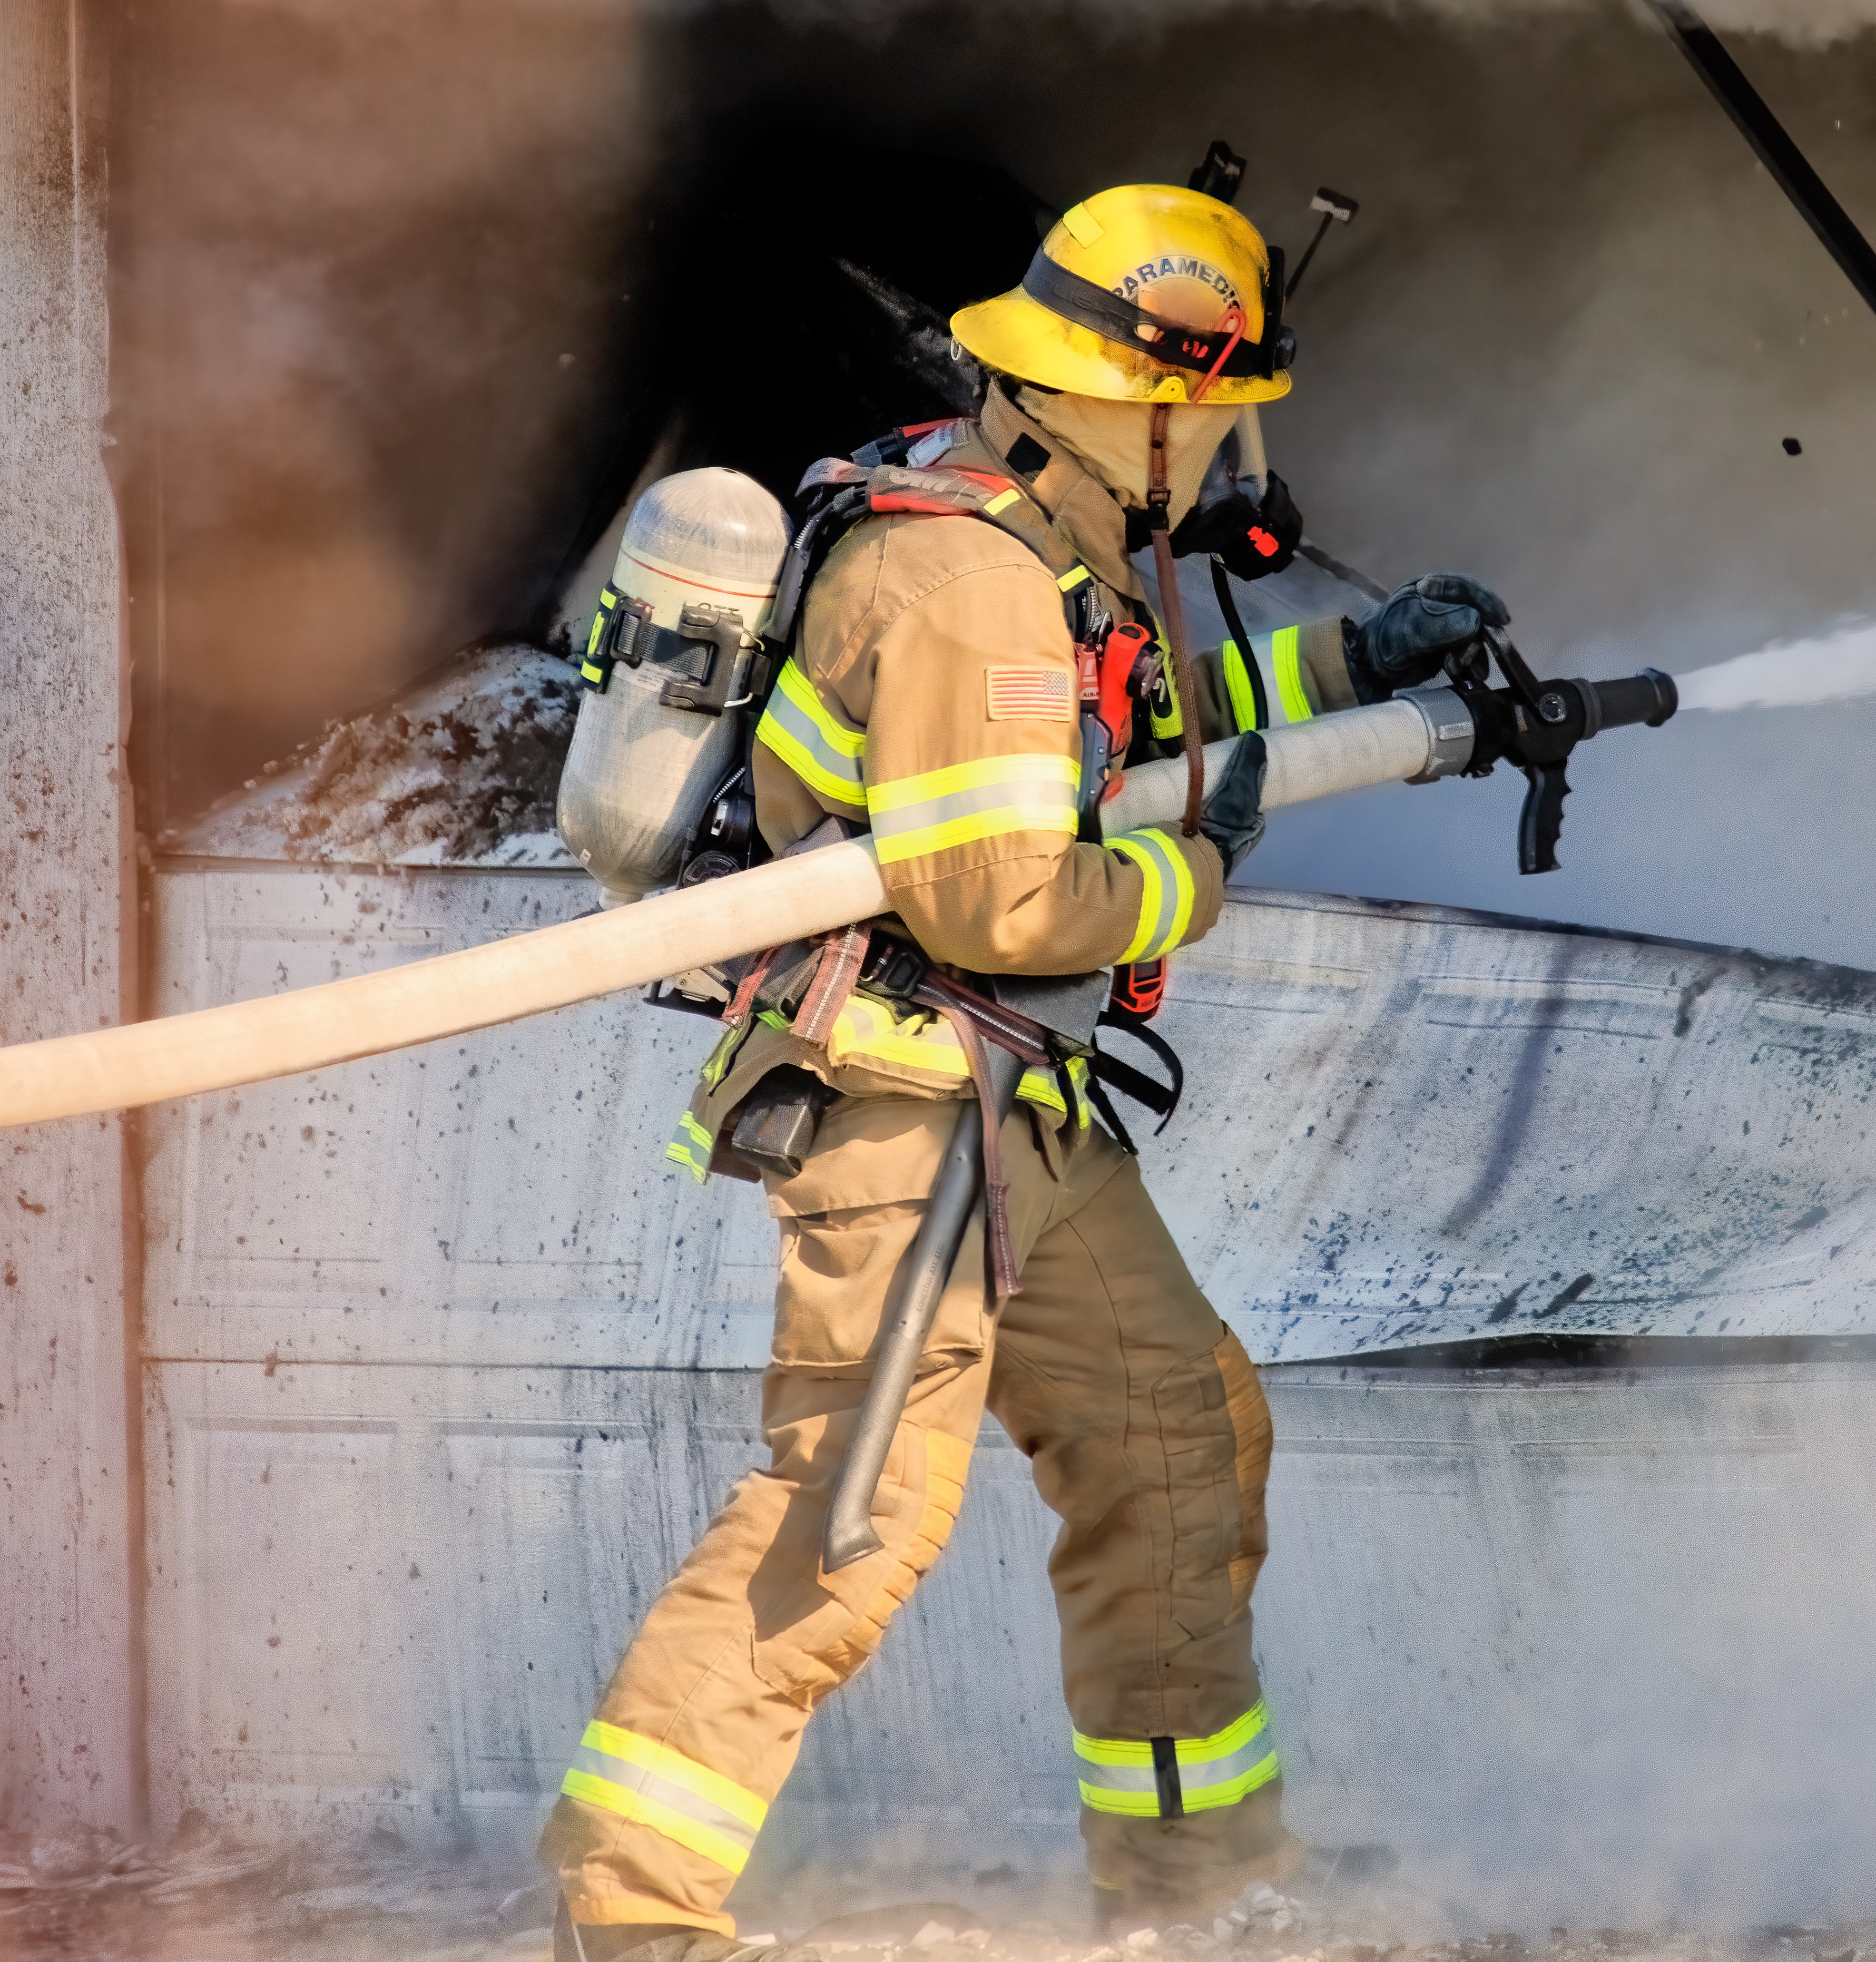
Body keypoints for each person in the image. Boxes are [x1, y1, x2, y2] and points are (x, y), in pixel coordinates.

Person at [544, 182, 1510, 1962]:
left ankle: (1200, 1905)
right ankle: (631, 1912)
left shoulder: (1032, 522)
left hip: (1017, 1110)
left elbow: (1133, 726)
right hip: (909, 1107)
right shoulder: (968, 580)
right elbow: (1008, 893)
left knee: (1178, 1449)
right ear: (1118, 401)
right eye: (1206, 413)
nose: (1221, 450)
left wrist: (1350, 666)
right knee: (853, 1514)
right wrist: (1200, 875)